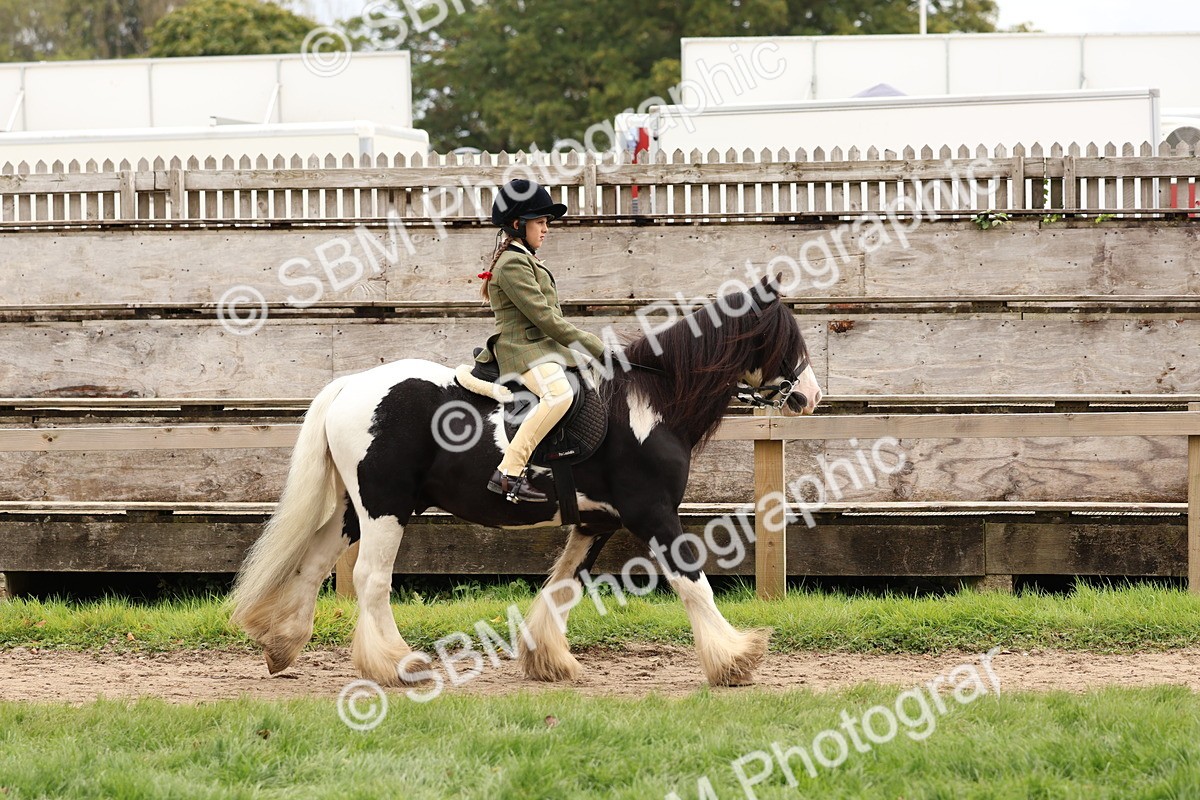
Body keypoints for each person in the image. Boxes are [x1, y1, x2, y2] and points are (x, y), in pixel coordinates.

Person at [474, 178, 607, 502]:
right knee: (559, 394)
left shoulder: (524, 258)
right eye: (540, 222)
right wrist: (596, 347)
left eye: (547, 222)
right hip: (522, 349)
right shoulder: (512, 264)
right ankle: (509, 472)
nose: (546, 229)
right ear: (517, 225)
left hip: (541, 348)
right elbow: (546, 319)